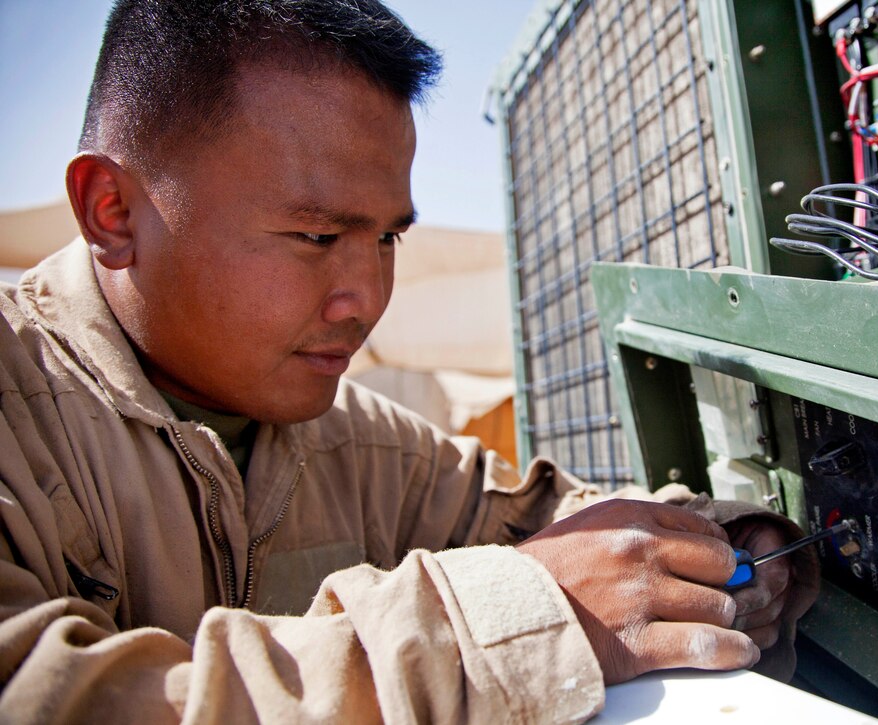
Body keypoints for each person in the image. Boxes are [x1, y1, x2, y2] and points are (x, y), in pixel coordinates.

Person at [0, 1, 818, 722]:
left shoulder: (367, 446)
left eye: (388, 237)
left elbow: (559, 522)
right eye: (317, 236)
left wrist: (715, 544)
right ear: (111, 211)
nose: (366, 294)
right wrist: (509, 625)